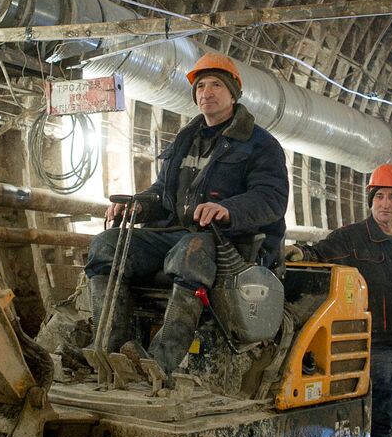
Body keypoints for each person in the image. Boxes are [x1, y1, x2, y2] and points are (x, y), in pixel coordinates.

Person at [83, 52, 288, 374]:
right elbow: (162, 192)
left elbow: (271, 198)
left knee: (190, 251)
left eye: (217, 85)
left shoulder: (260, 144)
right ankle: (111, 352)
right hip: (175, 234)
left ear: (233, 93)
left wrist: (227, 209)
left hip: (230, 243)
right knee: (105, 245)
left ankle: (160, 361)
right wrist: (137, 205)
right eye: (201, 86)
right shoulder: (185, 140)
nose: (207, 92)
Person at [295, 164, 392, 437]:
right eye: (379, 197)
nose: (385, 204)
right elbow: (318, 252)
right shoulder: (351, 238)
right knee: (382, 420)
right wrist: (300, 253)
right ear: (371, 201)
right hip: (375, 346)